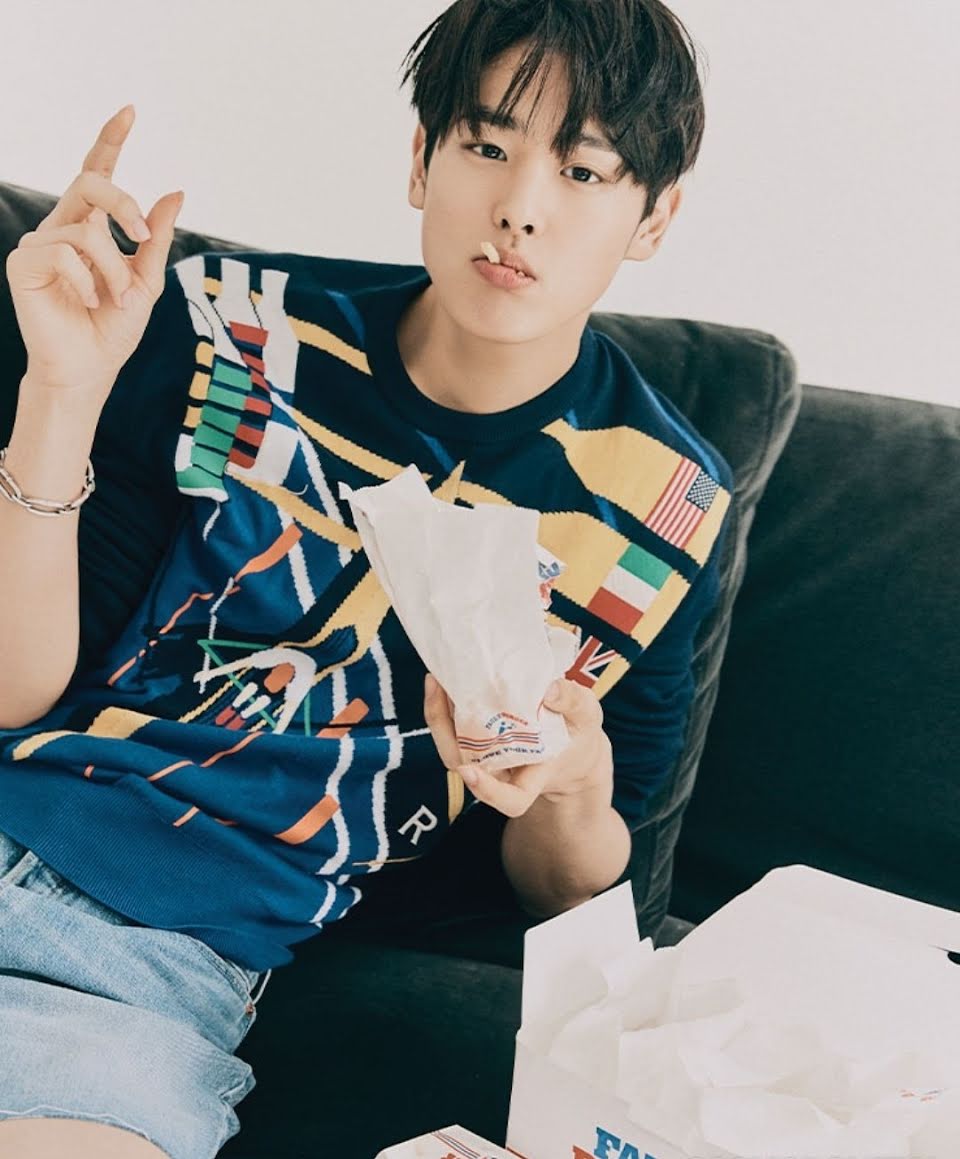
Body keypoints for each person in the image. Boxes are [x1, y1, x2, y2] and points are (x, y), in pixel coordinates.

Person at [0, 0, 732, 1155]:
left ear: (655, 217)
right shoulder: (234, 330)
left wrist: (570, 781)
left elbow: (577, 895)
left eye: (584, 170)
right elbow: (18, 695)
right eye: (487, 145)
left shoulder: (658, 503)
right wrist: (61, 394)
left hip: (145, 970)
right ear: (422, 159)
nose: (522, 206)